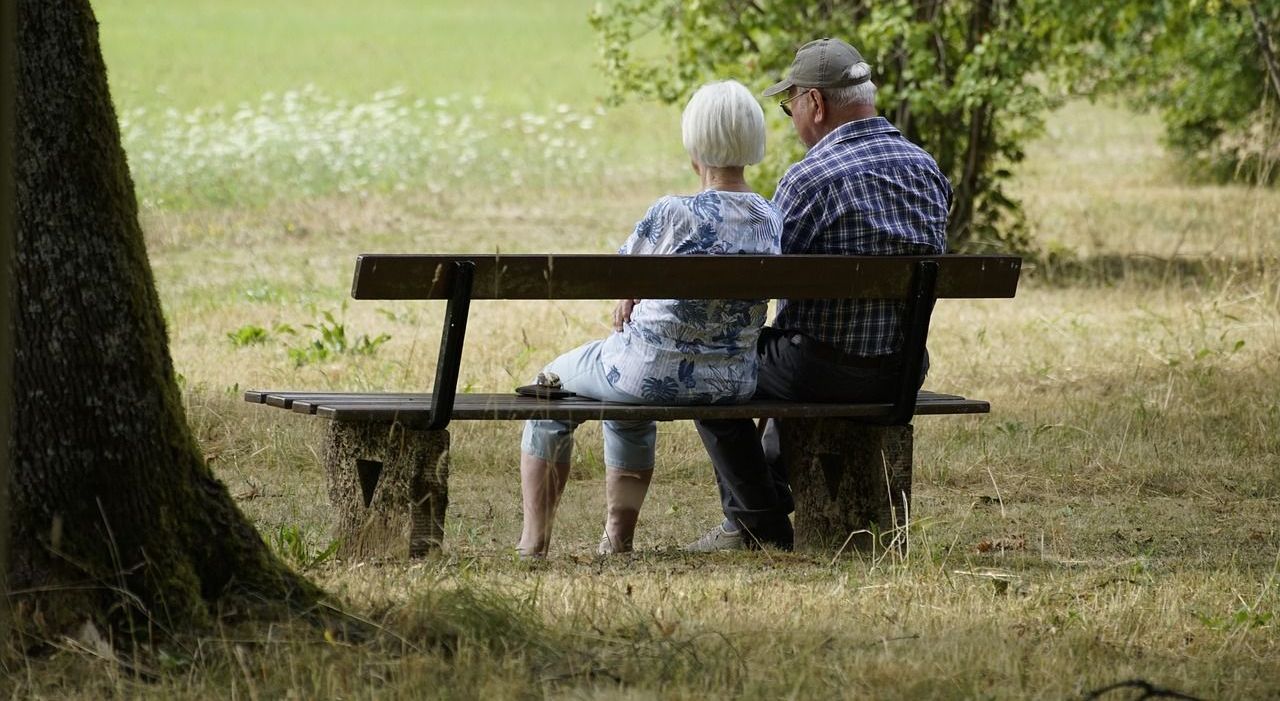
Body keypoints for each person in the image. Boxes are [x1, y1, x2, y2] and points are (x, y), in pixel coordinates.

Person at [686, 38, 952, 552]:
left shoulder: (809, 179)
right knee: (790, 351)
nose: (792, 119)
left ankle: (757, 522)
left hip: (819, 372)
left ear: (815, 103)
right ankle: (768, 494)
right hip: (901, 371)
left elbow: (765, 283)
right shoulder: (927, 170)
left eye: (790, 108)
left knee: (709, 367)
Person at [517, 80, 783, 558]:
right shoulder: (770, 217)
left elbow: (619, 273)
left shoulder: (673, 212)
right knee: (624, 399)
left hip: (646, 374)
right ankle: (616, 539)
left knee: (549, 387)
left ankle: (533, 542)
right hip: (730, 382)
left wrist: (629, 292)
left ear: (694, 144)